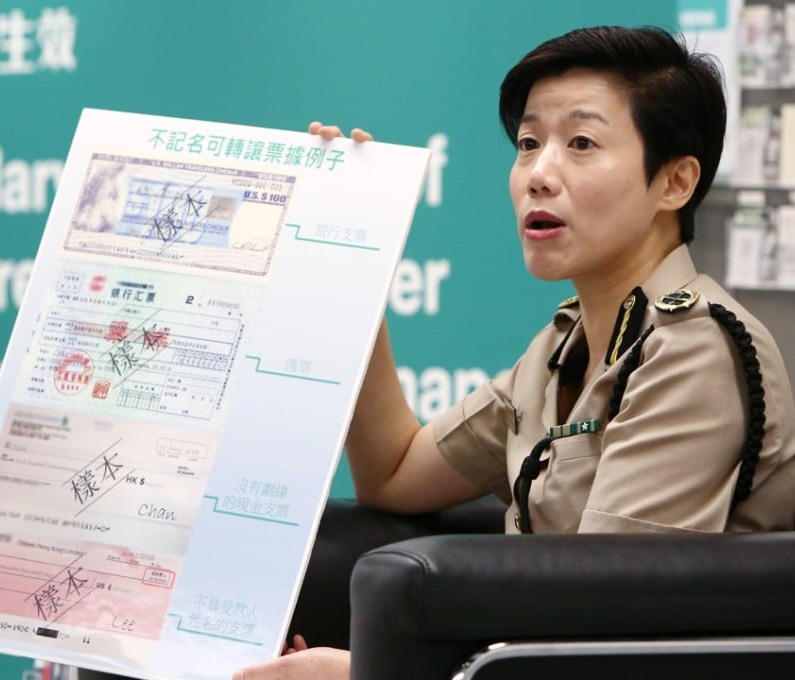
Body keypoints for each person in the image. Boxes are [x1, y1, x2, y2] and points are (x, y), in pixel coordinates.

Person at [231, 24, 795, 680]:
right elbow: (395, 473)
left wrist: (363, 673)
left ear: (674, 182)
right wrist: (351, 251)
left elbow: (607, 624)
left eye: (581, 144)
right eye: (529, 144)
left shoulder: (694, 351)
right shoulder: (561, 348)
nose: (539, 175)